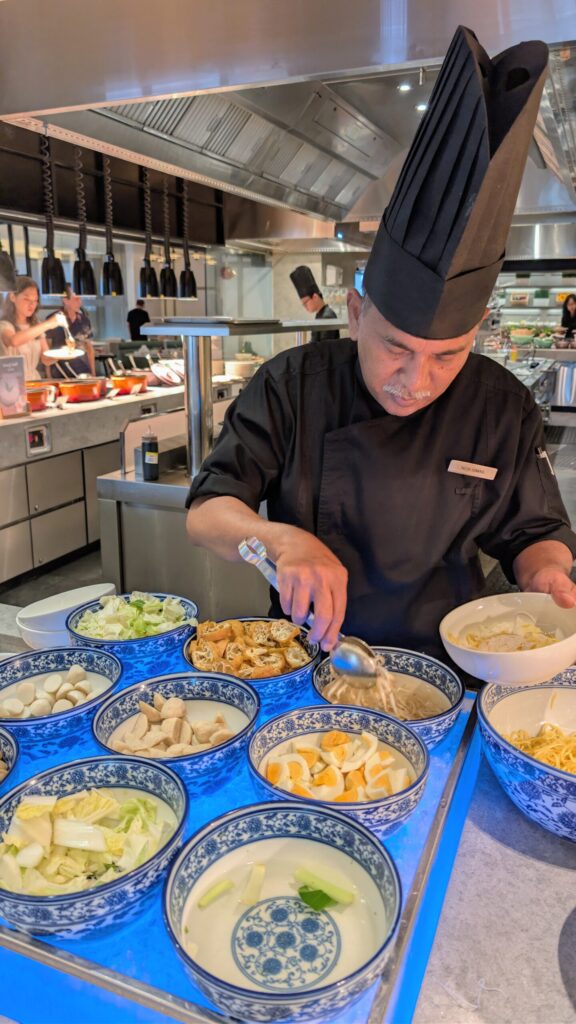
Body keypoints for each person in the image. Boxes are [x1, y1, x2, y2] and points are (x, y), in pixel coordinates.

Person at [185, 26, 576, 660]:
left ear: (474, 335)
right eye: (396, 346)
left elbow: (536, 532)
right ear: (357, 311)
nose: (416, 380)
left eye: (447, 355)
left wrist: (546, 574)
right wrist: (281, 539)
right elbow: (207, 512)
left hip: (451, 663)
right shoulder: (292, 384)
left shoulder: (500, 404)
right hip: (307, 658)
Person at [0, 277, 64, 379]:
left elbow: (46, 359)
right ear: (12, 297)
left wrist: (63, 354)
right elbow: (14, 340)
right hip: (12, 384)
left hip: (34, 382)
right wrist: (47, 324)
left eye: (35, 300)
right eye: (26, 299)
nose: (32, 305)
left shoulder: (35, 325)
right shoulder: (4, 325)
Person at [45, 284, 96, 378]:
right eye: (76, 299)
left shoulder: (84, 320)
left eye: (80, 299)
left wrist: (93, 374)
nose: (80, 302)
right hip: (60, 372)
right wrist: (49, 377)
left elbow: (89, 349)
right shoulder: (53, 319)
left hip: (83, 372)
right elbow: (47, 349)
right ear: (65, 300)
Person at [289, 266, 340, 343]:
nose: (305, 307)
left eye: (305, 303)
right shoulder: (320, 314)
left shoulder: (327, 316)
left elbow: (324, 348)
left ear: (315, 297)